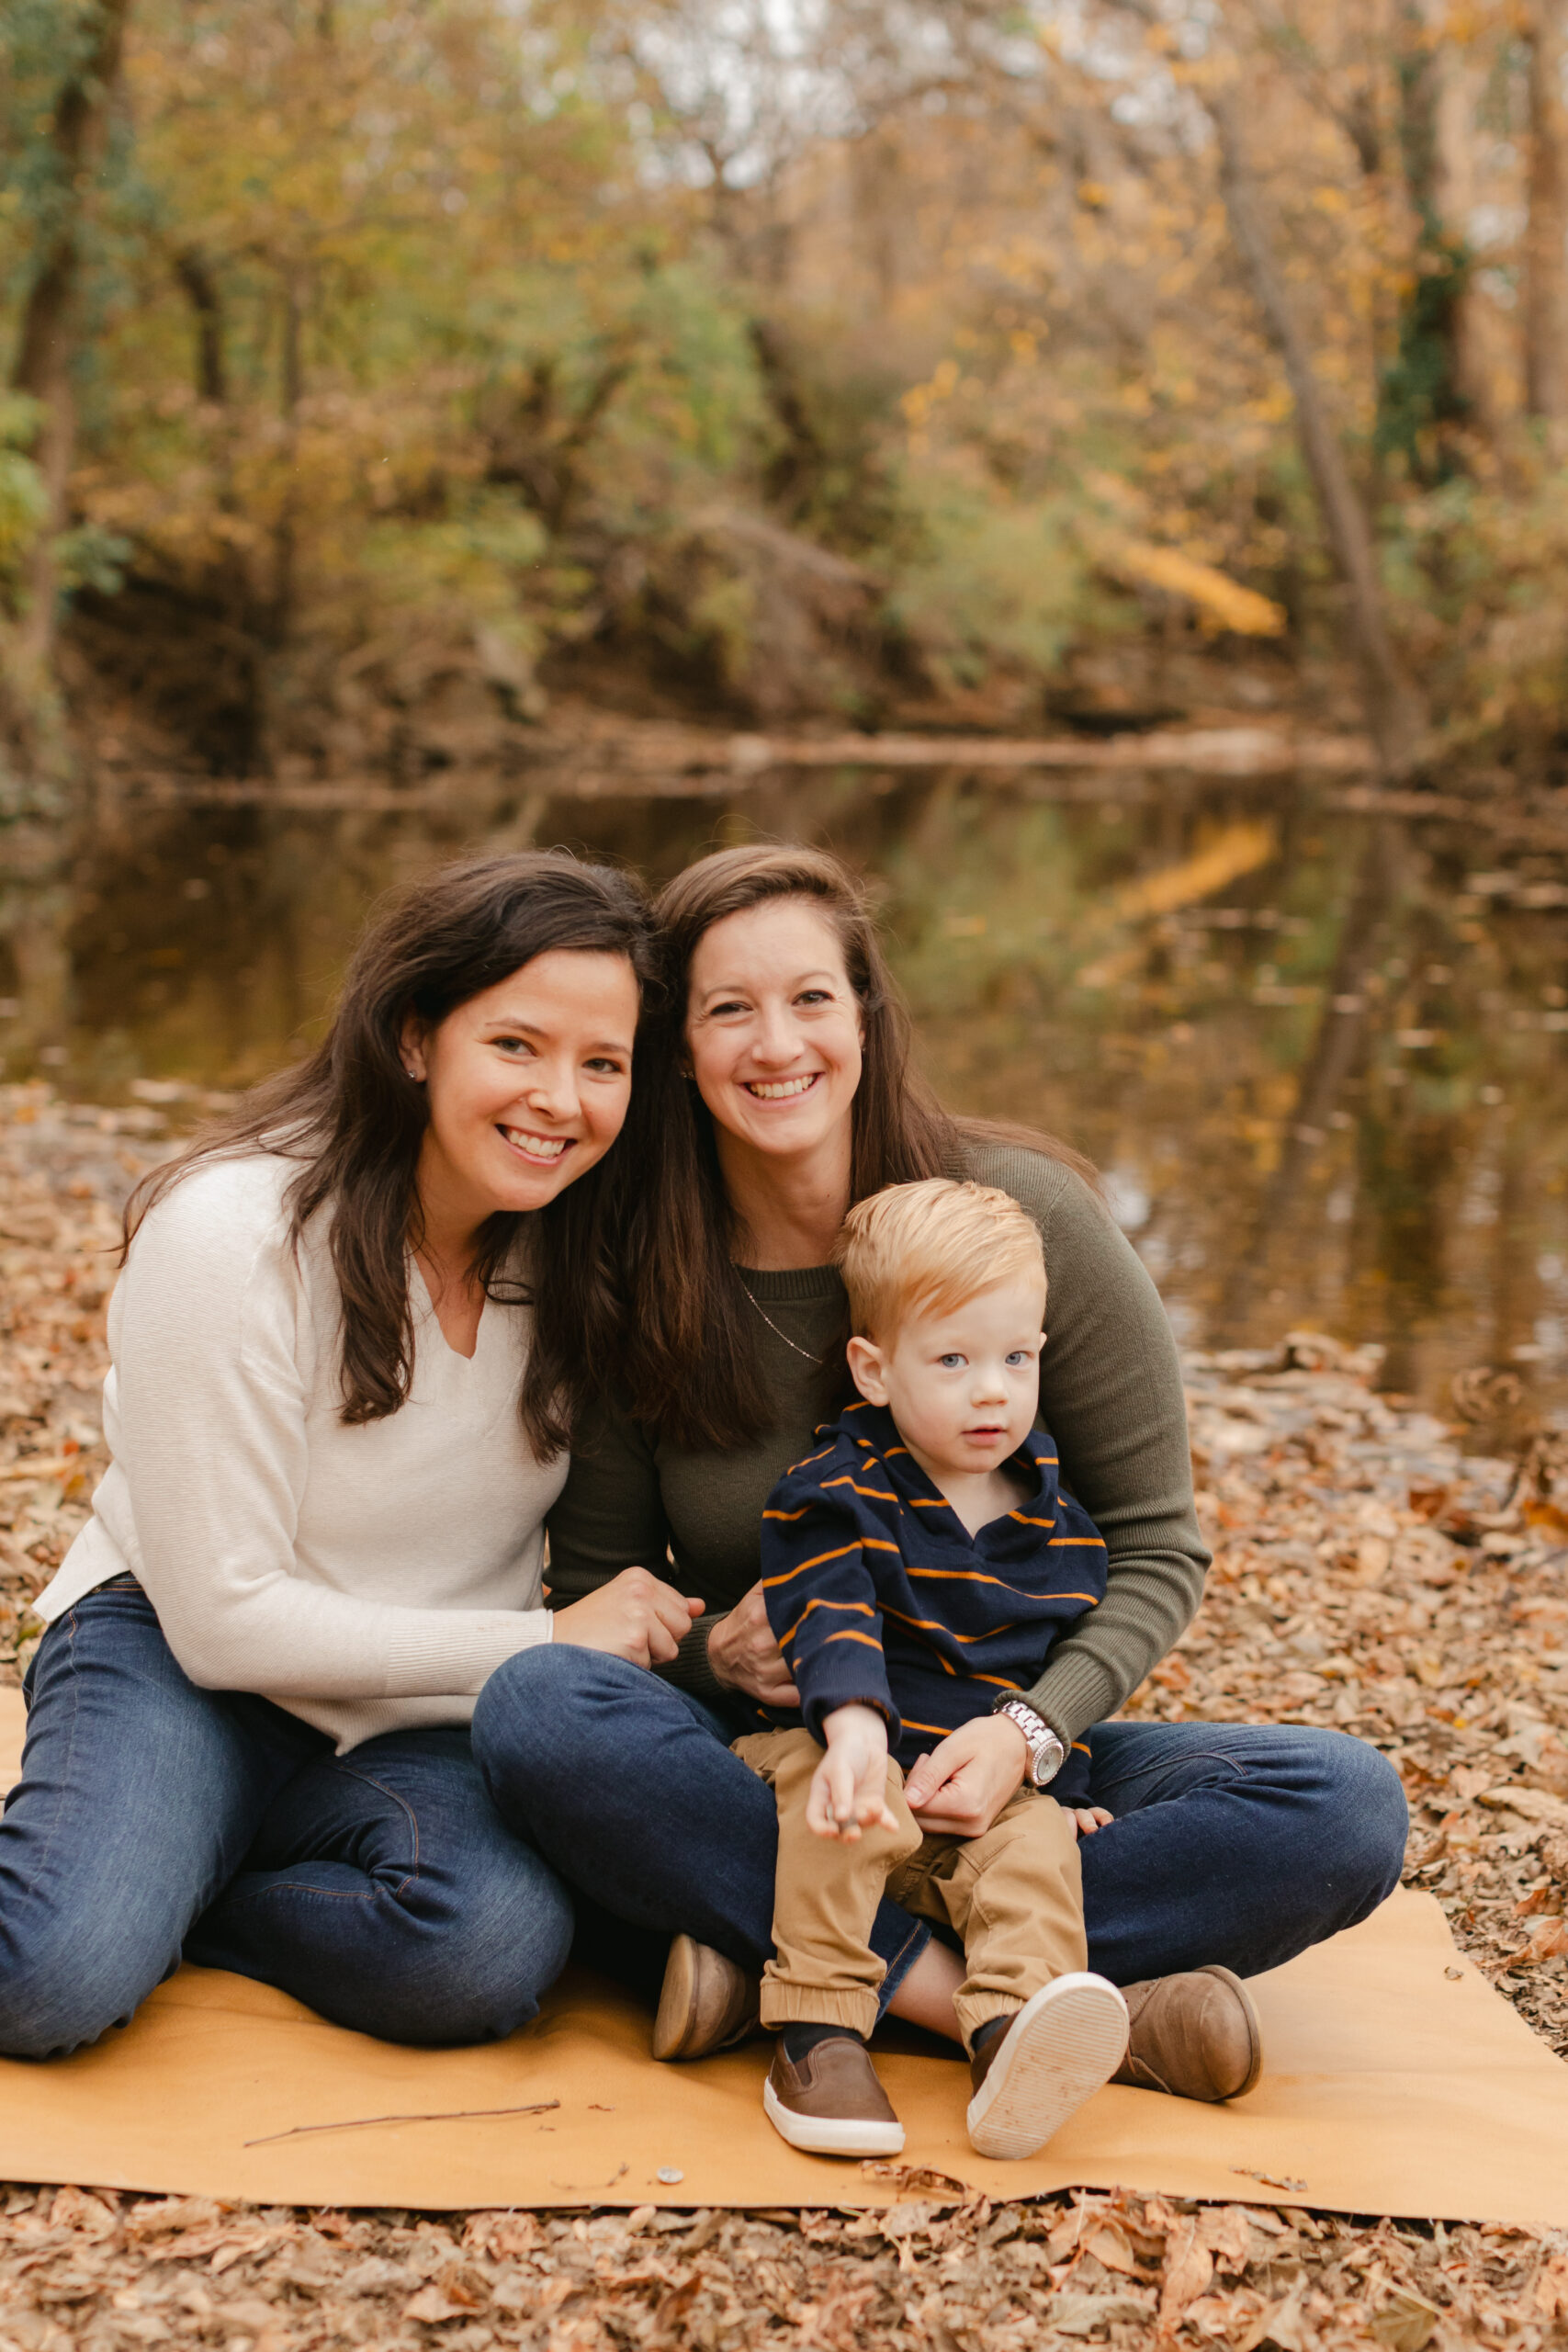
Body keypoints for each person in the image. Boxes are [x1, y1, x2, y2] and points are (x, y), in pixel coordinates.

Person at [474, 843, 1408, 2099]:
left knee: (1341, 1807)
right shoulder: (638, 1269)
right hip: (773, 1760)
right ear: (676, 1048)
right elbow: (599, 1590)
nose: (775, 1044)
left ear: (864, 1013)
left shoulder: (1019, 1222)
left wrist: (1029, 1732)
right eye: (726, 1009)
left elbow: (1155, 1543)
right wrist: (717, 1654)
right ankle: (1003, 2008)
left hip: (1001, 1765)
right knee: (538, 1711)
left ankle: (768, 1959)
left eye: (810, 997)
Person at [0, 852, 698, 2060]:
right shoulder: (233, 1233)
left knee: (477, 1949)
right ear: (416, 1037)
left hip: (417, 1718)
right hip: (180, 1662)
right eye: (517, 1046)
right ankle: (141, 1861)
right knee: (44, 1976)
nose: (560, 1100)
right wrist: (547, 1643)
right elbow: (221, 1620)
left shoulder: (580, 1260)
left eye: (603, 1065)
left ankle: (195, 1886)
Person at [739, 1176, 1134, 2163]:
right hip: (842, 1747)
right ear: (873, 1370)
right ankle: (819, 2029)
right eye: (952, 1360)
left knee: (1039, 1853)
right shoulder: (836, 1492)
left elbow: (1044, 1663)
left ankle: (1012, 2035)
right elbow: (829, 1613)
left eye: (1013, 1357)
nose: (991, 1388)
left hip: (974, 1798)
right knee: (842, 1807)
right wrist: (855, 1731)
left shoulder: (1056, 1517)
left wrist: (1062, 1776)